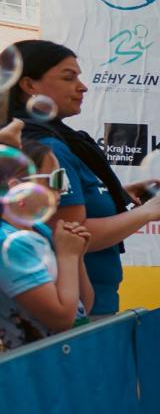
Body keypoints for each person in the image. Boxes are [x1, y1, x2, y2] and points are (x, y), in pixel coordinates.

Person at [9, 40, 160, 315]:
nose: (82, 86)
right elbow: (73, 233)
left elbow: (66, 211)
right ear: (29, 85)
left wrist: (117, 194)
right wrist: (146, 213)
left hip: (87, 301)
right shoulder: (48, 147)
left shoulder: (59, 140)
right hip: (74, 310)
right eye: (69, 77)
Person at [1, 142, 93, 350]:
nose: (63, 188)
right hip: (33, 364)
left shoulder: (40, 230)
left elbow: (83, 308)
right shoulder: (10, 244)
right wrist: (67, 256)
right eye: (55, 179)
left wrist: (76, 256)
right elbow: (62, 319)